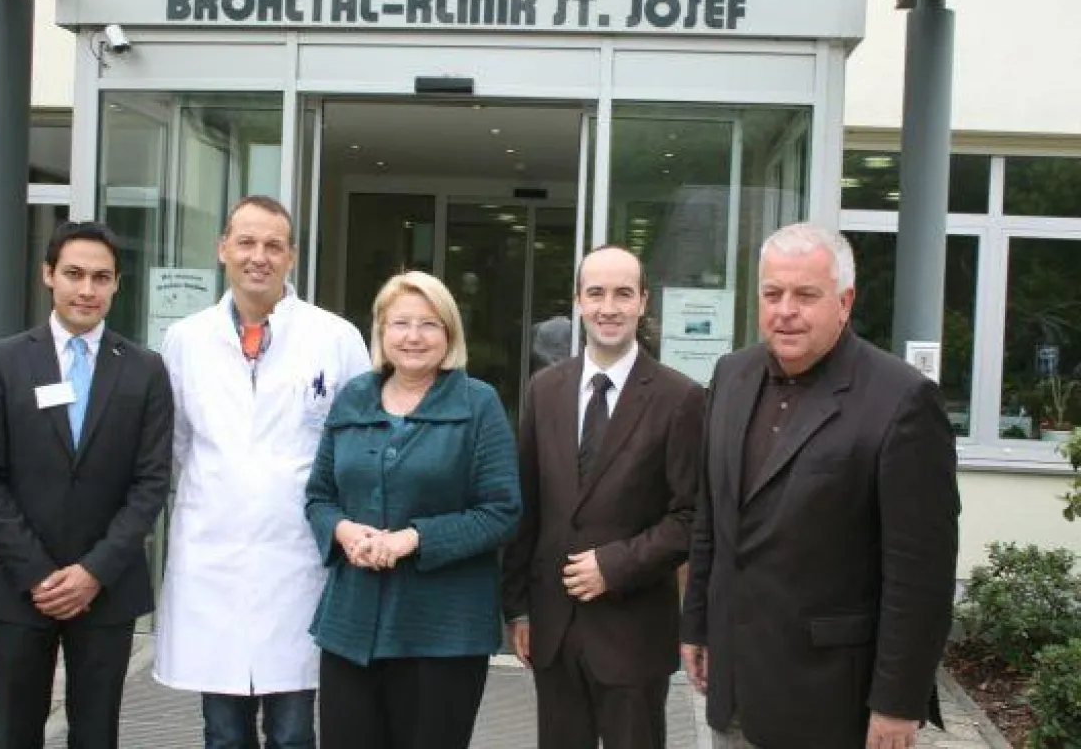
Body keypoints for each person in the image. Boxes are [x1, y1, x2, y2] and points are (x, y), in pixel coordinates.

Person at [680, 223, 960, 749]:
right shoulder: (730, 376)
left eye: (805, 294)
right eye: (772, 293)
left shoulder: (903, 400)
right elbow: (711, 520)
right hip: (736, 689)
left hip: (833, 703)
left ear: (845, 301)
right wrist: (696, 623)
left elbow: (920, 576)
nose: (785, 309)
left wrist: (898, 703)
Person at [154, 195, 370, 749]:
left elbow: (360, 447)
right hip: (213, 560)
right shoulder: (185, 340)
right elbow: (174, 446)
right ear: (223, 247)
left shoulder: (335, 338)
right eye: (246, 242)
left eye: (274, 245)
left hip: (297, 560)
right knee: (222, 732)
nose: (259, 257)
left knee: (295, 730)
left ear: (291, 257)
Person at [0, 221, 173, 748]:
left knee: (97, 733)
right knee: (15, 731)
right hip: (18, 585)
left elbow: (151, 483)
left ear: (117, 284)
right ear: (48, 275)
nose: (87, 289)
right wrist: (38, 574)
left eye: (101, 277)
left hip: (107, 587)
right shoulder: (4, 361)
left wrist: (93, 572)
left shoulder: (146, 370)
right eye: (74, 274)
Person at [305, 270, 521, 749]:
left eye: (429, 324)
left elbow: (502, 511)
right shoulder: (353, 397)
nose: (414, 336)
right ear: (381, 330)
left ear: (449, 333)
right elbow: (319, 495)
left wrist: (414, 538)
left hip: (442, 632)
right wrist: (342, 531)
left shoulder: (478, 404)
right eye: (401, 323)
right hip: (351, 626)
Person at [501, 244, 705, 749]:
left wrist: (616, 565)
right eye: (596, 293)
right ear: (577, 300)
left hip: (632, 631)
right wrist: (519, 609)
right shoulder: (543, 389)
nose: (608, 307)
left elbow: (691, 515)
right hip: (553, 627)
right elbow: (526, 506)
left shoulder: (681, 398)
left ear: (643, 302)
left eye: (622, 294)